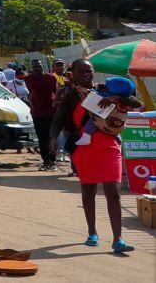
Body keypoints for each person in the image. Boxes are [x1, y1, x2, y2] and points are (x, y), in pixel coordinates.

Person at [50, 58, 135, 254]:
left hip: (110, 146)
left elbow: (133, 100)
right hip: (83, 148)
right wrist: (53, 138)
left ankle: (118, 239)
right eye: (81, 72)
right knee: (88, 191)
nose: (86, 75)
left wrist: (117, 99)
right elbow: (58, 120)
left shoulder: (105, 88)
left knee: (113, 192)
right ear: (73, 73)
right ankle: (92, 233)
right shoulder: (70, 95)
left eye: (89, 71)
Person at [75, 76, 141, 147]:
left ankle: (87, 135)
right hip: (112, 127)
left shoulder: (113, 95)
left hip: (108, 120)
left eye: (108, 85)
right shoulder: (105, 88)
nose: (105, 85)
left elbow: (138, 103)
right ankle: (117, 136)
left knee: (92, 121)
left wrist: (117, 98)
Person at [24, 59, 58, 170]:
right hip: (37, 112)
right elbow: (31, 92)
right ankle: (46, 161)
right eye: (35, 67)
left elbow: (55, 92)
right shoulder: (28, 79)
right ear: (32, 68)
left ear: (43, 66)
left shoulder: (51, 78)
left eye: (39, 66)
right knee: (42, 138)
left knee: (52, 136)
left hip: (51, 111)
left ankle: (53, 161)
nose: (38, 68)